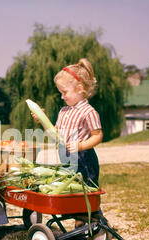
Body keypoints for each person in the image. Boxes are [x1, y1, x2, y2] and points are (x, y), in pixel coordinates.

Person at [31, 58, 103, 228]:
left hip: (84, 159)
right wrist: (42, 121)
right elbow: (56, 135)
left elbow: (98, 136)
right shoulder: (64, 111)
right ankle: (81, 227)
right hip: (66, 158)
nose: (62, 96)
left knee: (85, 192)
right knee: (72, 192)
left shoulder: (88, 111)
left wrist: (81, 145)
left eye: (64, 92)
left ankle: (93, 224)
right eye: (60, 93)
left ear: (80, 88)